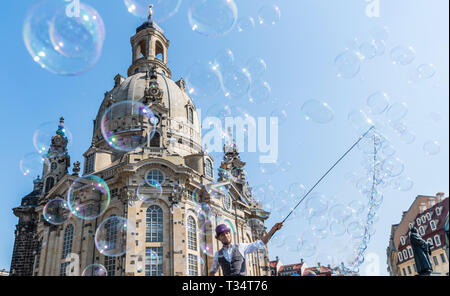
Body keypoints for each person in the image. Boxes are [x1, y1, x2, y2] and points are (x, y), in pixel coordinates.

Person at [209, 222, 284, 276]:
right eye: (222, 234)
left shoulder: (241, 247)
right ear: (218, 238)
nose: (226, 235)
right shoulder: (217, 254)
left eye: (227, 233)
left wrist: (273, 229)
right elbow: (212, 272)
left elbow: (261, 242)